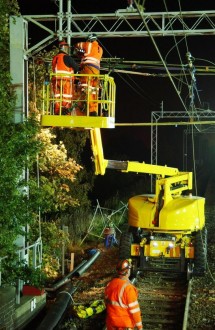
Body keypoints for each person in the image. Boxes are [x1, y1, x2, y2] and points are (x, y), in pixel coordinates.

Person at [104, 259, 143, 330]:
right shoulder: (128, 288)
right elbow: (135, 310)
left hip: (111, 323)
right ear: (127, 271)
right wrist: (140, 327)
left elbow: (106, 302)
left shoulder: (110, 284)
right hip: (124, 325)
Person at [74, 33, 103, 116]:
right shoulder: (100, 49)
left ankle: (87, 108)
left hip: (87, 69)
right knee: (94, 90)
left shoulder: (88, 44)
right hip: (96, 71)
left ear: (89, 39)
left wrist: (75, 49)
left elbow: (78, 45)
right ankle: (93, 110)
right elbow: (90, 54)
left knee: (85, 87)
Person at [52, 40, 79, 115]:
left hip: (55, 81)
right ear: (65, 48)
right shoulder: (66, 57)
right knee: (66, 97)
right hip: (65, 81)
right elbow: (76, 67)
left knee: (57, 98)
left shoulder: (55, 58)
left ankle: (57, 112)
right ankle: (65, 112)